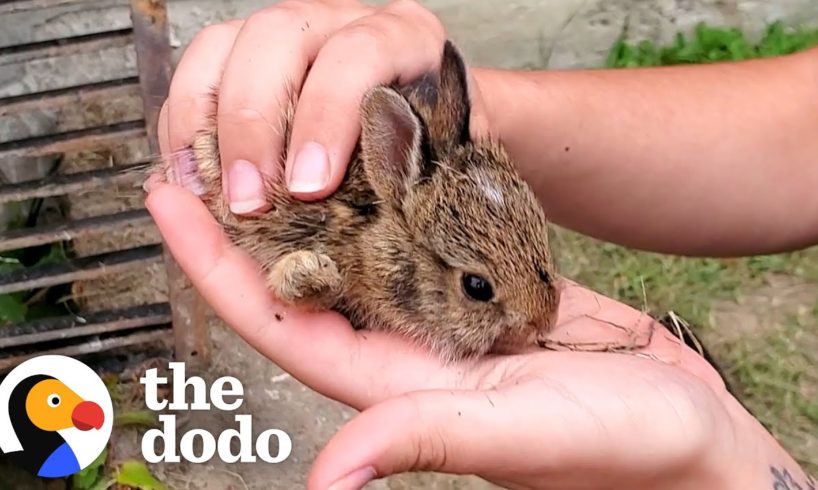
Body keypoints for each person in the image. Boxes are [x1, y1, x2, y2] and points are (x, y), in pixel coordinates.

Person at [143, 1, 818, 489]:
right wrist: (479, 104)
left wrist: (719, 462)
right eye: (478, 289)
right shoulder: (381, 248)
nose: (536, 322)